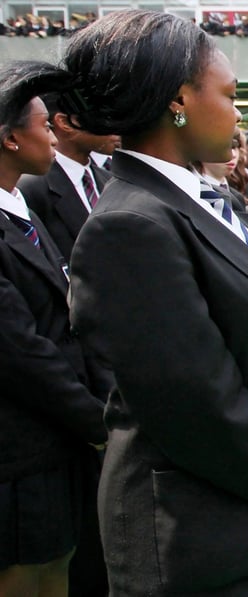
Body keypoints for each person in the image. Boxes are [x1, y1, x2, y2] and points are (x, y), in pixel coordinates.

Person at [61, 11, 248, 595]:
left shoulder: (192, 201)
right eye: (230, 95)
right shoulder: (131, 223)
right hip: (188, 531)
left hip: (240, 499)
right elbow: (196, 401)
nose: (239, 113)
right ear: (178, 99)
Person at [0, 60, 111, 597]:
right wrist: (95, 419)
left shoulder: (21, 209)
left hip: (57, 436)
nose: (52, 135)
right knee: (27, 572)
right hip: (20, 447)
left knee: (61, 561)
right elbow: (20, 348)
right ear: (11, 139)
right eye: (43, 125)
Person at [18, 92, 116, 263]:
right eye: (103, 116)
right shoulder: (32, 189)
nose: (115, 126)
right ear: (64, 123)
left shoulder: (110, 179)